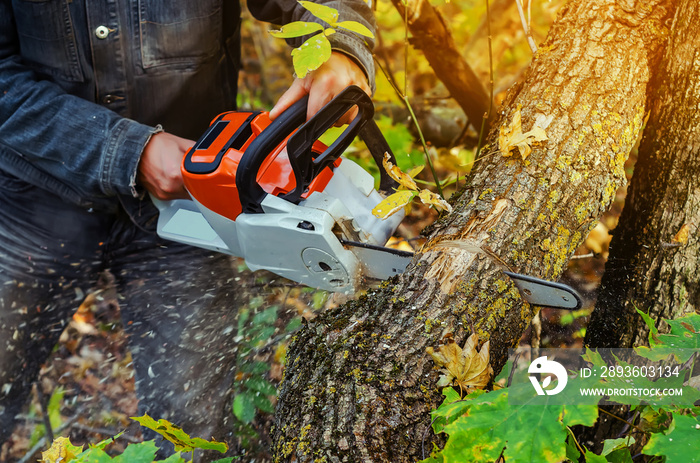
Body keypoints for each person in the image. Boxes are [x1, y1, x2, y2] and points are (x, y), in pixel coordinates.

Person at [0, 0, 375, 459]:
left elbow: (319, 5)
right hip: (32, 194)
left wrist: (339, 48)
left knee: (192, 425)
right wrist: (127, 150)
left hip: (194, 197)